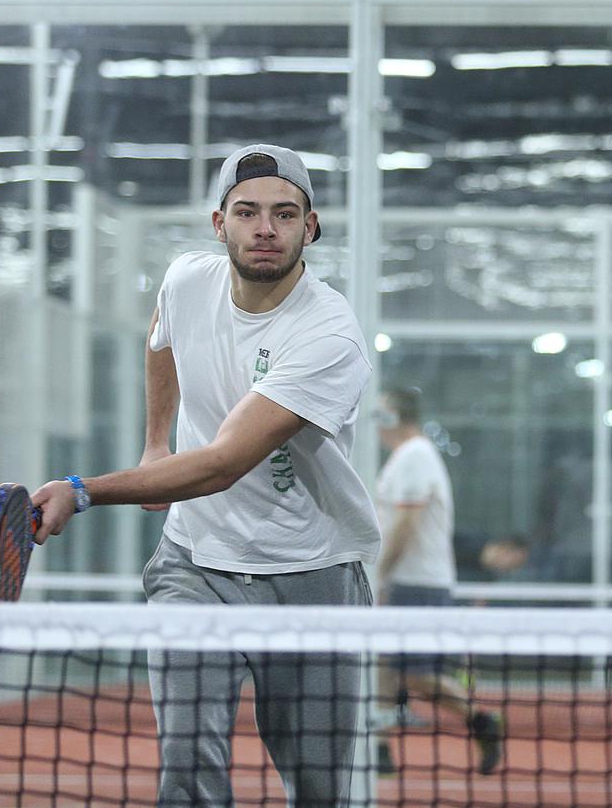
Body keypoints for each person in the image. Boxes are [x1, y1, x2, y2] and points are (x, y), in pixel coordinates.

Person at [30, 143, 380, 806]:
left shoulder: (329, 336)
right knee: (188, 764)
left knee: (321, 788)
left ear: (311, 227)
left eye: (283, 213)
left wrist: (82, 490)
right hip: (195, 567)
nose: (264, 228)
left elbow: (222, 463)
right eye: (246, 212)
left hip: (310, 576)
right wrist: (153, 445)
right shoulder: (187, 279)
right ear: (219, 224)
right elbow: (162, 334)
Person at [372, 386, 504, 775]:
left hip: (418, 584)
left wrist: (382, 574)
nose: (375, 424)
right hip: (405, 583)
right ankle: (379, 749)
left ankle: (480, 720)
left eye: (380, 414)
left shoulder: (415, 456)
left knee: (417, 675)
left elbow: (407, 524)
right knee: (384, 667)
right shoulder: (404, 458)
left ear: (396, 416)